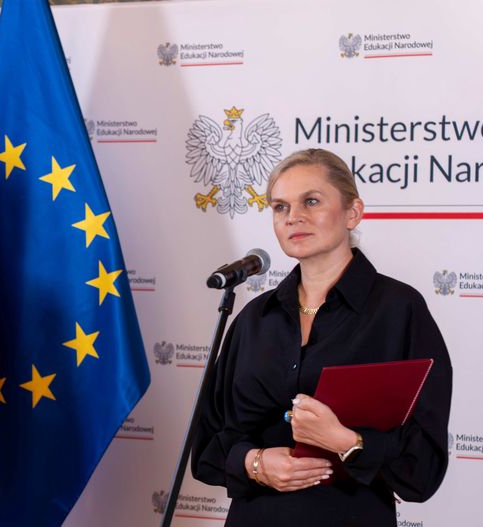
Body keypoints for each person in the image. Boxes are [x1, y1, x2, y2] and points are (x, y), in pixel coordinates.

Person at [191, 148, 452, 527]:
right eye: (280, 207)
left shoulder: (400, 310)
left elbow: (423, 471)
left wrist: (347, 441)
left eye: (311, 201)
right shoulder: (253, 318)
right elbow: (206, 449)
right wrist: (255, 463)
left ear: (353, 212)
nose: (293, 217)